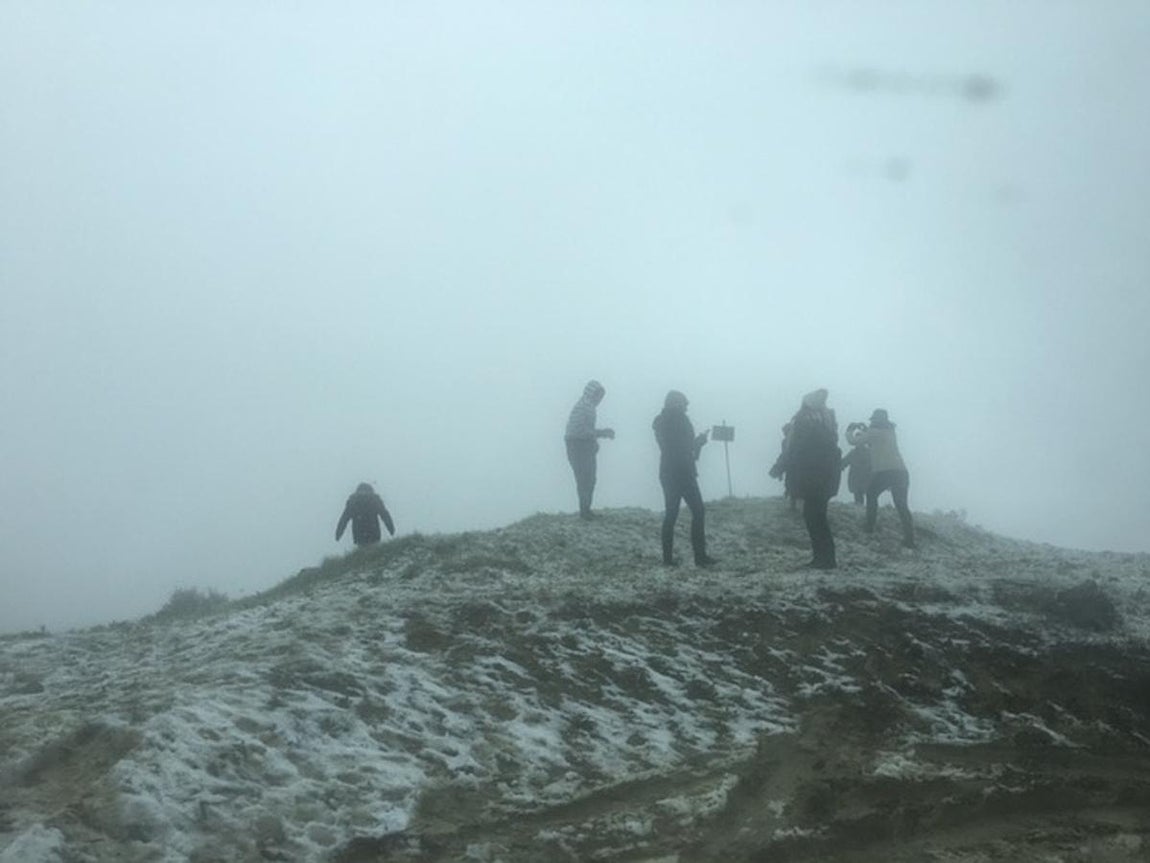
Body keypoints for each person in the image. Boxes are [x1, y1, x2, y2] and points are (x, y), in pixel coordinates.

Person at [652, 390, 717, 567]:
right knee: (698, 511)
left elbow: (674, 447)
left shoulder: (660, 422)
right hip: (683, 472)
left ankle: (668, 559)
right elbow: (684, 448)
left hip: (668, 471)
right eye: (684, 403)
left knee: (671, 514)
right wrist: (699, 442)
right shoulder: (680, 420)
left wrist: (695, 445)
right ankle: (700, 557)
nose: (687, 407)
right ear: (677, 403)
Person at [778, 389, 841, 569]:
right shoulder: (826, 423)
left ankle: (823, 559)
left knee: (813, 517)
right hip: (825, 478)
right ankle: (825, 558)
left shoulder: (807, 422)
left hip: (813, 477)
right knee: (818, 517)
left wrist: (782, 466)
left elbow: (796, 448)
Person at [846, 409, 915, 548]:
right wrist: (867, 430)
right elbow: (875, 441)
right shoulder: (890, 431)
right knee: (901, 505)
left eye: (872, 420)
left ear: (876, 420)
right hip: (901, 471)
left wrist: (850, 429)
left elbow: (853, 441)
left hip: (885, 471)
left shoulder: (873, 432)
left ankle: (869, 526)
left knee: (871, 495)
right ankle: (909, 539)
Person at [564, 380, 615, 519]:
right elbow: (580, 431)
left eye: (600, 396)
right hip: (578, 446)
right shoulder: (584, 407)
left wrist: (594, 440)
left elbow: (584, 430)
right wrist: (602, 433)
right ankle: (585, 511)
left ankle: (586, 510)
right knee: (586, 479)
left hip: (580, 445)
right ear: (591, 393)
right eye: (598, 395)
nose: (599, 399)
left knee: (588, 479)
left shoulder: (587, 406)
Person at [335, 482, 396, 547]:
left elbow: (344, 519)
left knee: (363, 553)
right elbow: (385, 515)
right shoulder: (374, 500)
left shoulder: (353, 502)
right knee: (375, 552)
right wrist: (391, 529)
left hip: (359, 534)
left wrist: (338, 533)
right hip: (374, 532)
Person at [768, 422, 800, 510]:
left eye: (785, 431)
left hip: (792, 465)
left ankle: (792, 502)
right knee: (790, 483)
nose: (785, 433)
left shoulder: (792, 441)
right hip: (790, 465)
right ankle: (792, 502)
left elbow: (785, 455)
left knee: (791, 483)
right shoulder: (786, 441)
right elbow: (784, 454)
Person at [840, 423, 872, 505]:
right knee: (868, 499)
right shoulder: (869, 453)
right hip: (863, 481)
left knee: (860, 500)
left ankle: (862, 512)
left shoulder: (853, 453)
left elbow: (842, 464)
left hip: (857, 481)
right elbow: (842, 464)